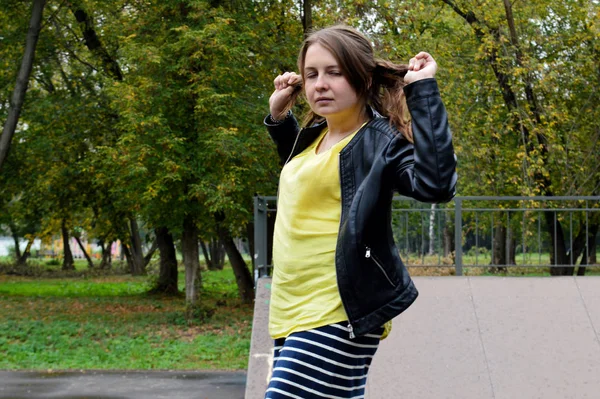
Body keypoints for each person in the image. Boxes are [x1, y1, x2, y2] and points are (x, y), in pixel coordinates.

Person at [263, 25, 457, 398]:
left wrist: (423, 92)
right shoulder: (314, 137)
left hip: (338, 309)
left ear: (362, 77)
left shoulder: (379, 140)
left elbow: (436, 185)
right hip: (289, 309)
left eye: (334, 72)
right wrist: (278, 116)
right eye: (311, 74)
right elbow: (312, 182)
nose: (320, 84)